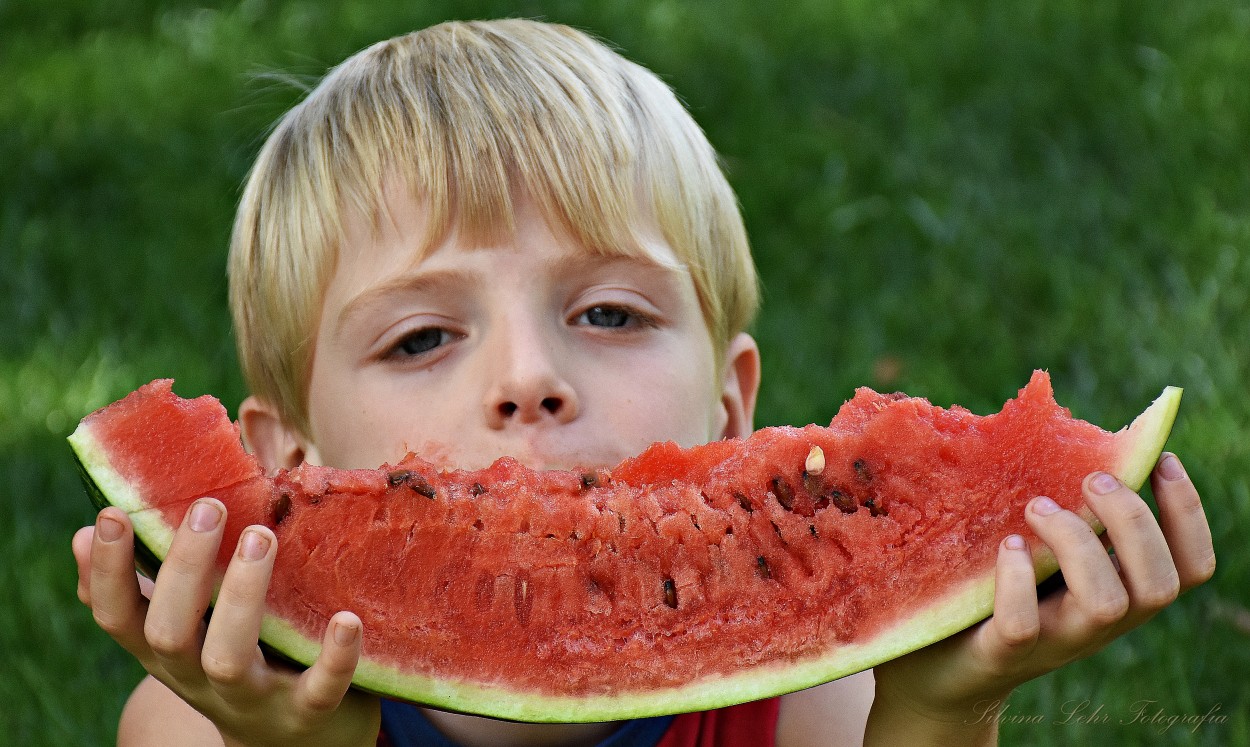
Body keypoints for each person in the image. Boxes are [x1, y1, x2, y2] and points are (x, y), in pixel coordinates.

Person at [70, 19, 1215, 747]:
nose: (528, 379)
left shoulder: (810, 709)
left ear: (731, 405)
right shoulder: (193, 723)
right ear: (283, 466)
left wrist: (936, 713)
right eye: (421, 338)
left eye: (608, 313)